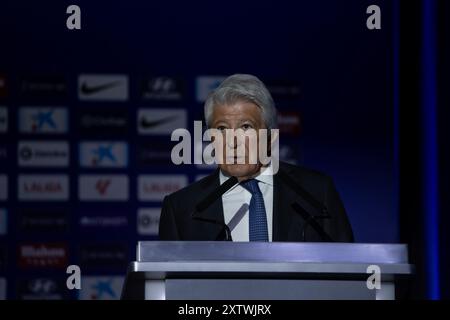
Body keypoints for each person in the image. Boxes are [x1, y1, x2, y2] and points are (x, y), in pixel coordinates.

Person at [159, 74, 353, 242]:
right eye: (222, 129)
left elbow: (348, 272)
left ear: (270, 138)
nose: (232, 142)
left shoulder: (317, 192)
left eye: (246, 127)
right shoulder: (181, 209)